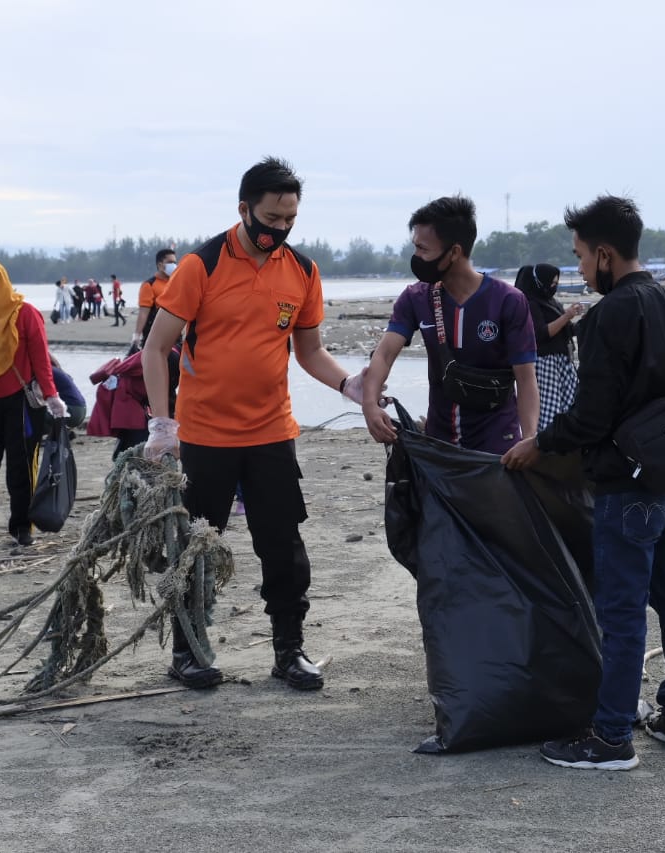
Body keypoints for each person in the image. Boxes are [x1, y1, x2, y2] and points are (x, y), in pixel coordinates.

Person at [142, 156, 368, 692]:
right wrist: (161, 426)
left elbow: (310, 351)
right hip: (203, 436)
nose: (280, 229)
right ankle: (189, 651)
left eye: (289, 219)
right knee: (198, 544)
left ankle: (289, 651)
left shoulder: (303, 271)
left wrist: (348, 386)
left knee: (283, 547)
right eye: (271, 218)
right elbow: (156, 348)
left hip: (271, 432)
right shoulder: (202, 265)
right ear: (244, 209)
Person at [502, 195, 665, 771]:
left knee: (621, 613)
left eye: (582, 257)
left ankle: (612, 737)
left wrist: (537, 443)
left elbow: (590, 416)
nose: (581, 269)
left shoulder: (611, 314)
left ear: (606, 254)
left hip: (627, 488)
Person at [362, 195, 539, 454]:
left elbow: (525, 379)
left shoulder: (508, 301)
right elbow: (385, 354)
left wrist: (530, 439)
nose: (416, 257)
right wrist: (370, 404)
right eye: (415, 247)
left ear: (454, 252)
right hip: (440, 440)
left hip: (496, 442)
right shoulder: (415, 298)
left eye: (423, 249)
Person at [0, 260, 69, 547]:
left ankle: (22, 527)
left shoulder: (27, 314)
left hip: (22, 405)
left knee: (21, 469)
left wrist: (52, 396)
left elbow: (41, 360)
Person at [514, 262, 582, 427]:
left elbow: (566, 330)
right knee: (549, 408)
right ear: (540, 283)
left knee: (569, 403)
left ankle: (564, 442)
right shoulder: (531, 304)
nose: (554, 286)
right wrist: (567, 316)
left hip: (563, 361)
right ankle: (546, 445)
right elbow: (541, 334)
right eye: (552, 283)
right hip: (546, 363)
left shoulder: (552, 302)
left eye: (556, 283)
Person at [136, 249, 177, 348]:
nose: (174, 265)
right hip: (153, 336)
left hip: (174, 335)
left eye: (175, 262)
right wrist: (137, 335)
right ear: (160, 265)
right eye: (170, 262)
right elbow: (143, 312)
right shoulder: (149, 285)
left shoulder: (175, 283)